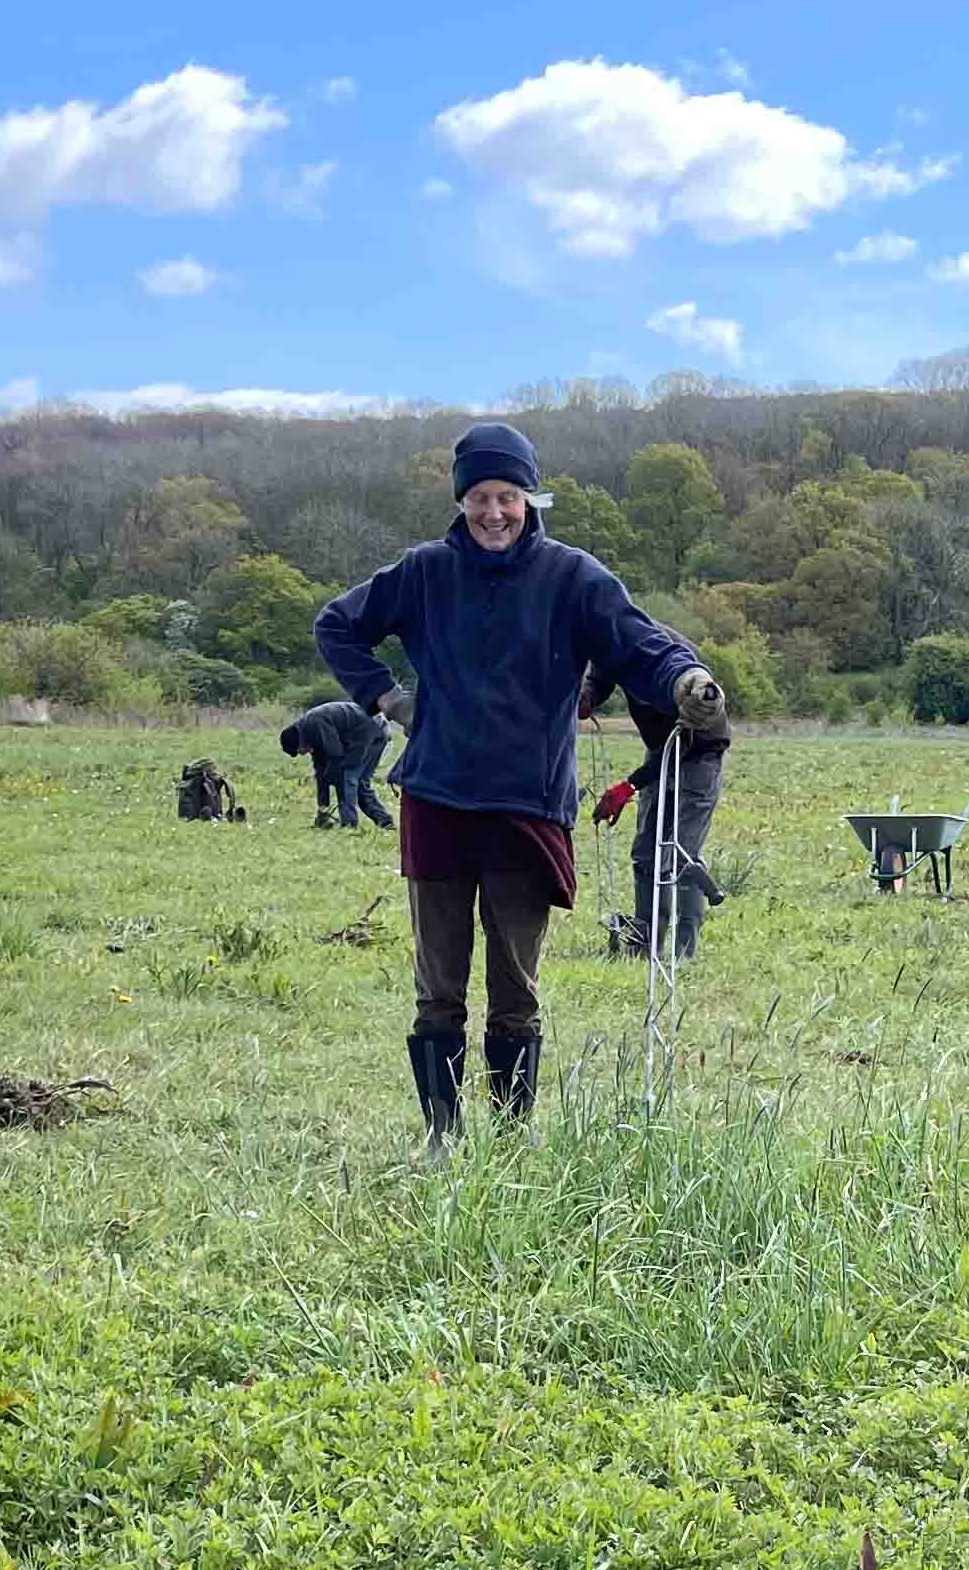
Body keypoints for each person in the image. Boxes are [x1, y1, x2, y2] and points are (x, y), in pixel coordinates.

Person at [314, 421, 724, 1141]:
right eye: (479, 497)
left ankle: (508, 1139)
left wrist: (685, 678)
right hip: (438, 800)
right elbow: (336, 625)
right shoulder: (424, 572)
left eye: (507, 496)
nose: (494, 512)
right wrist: (386, 698)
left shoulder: (574, 578)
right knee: (438, 987)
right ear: (461, 501)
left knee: (516, 989)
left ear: (530, 499)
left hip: (527, 808)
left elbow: (640, 643)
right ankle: (442, 1134)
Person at [582, 647, 726, 966]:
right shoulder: (612, 641)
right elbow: (601, 675)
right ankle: (645, 945)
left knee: (681, 854)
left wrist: (630, 785)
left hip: (698, 754)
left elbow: (684, 742)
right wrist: (588, 696)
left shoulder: (673, 658)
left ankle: (683, 955)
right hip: (659, 748)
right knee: (646, 852)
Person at [277, 695, 396, 830]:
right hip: (377, 728)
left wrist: (330, 775)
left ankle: (349, 824)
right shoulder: (310, 734)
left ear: (299, 741)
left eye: (300, 751)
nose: (303, 754)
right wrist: (322, 811)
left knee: (347, 776)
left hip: (368, 729)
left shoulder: (314, 723)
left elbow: (336, 754)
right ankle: (385, 822)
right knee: (359, 781)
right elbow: (321, 773)